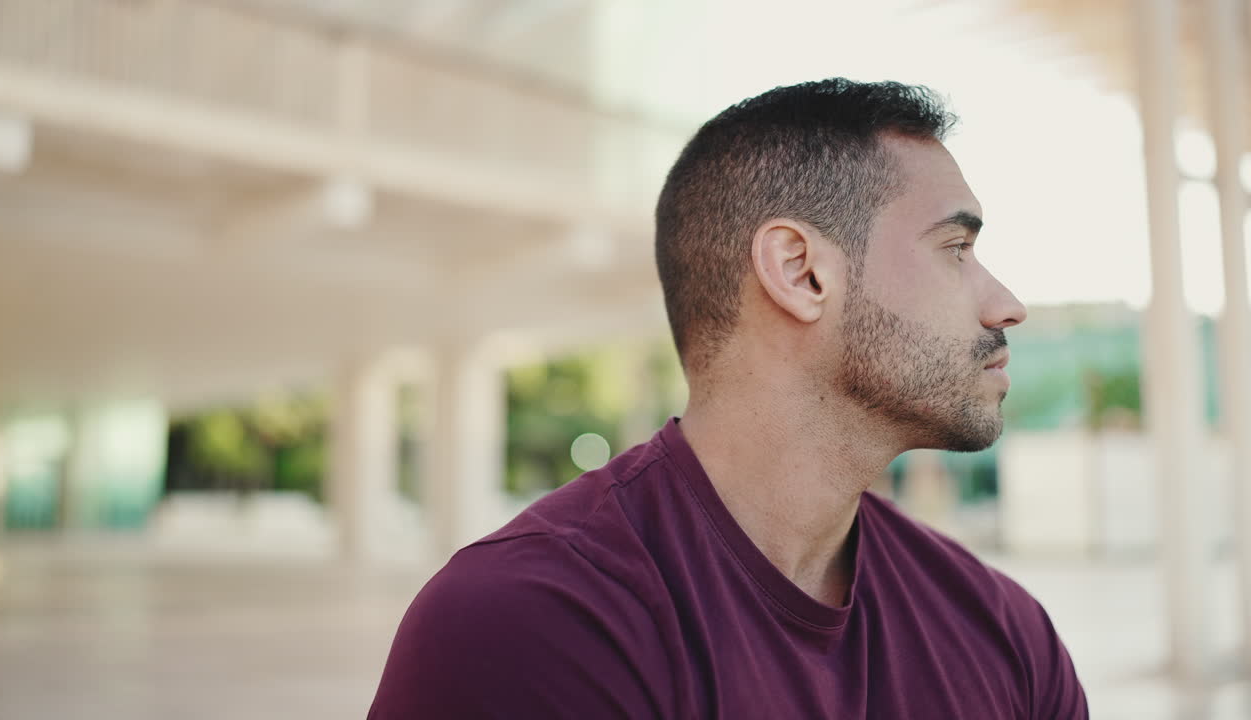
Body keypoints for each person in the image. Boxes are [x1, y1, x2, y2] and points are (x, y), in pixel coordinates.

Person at [368, 79, 1089, 719]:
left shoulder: (1002, 635)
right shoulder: (530, 628)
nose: (1007, 305)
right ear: (801, 272)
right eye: (956, 250)